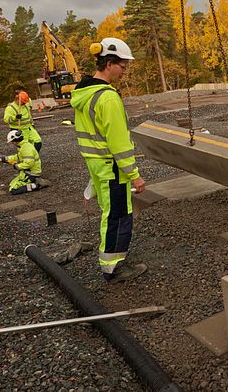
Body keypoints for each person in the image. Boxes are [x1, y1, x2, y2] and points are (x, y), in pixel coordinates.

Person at [70, 38, 147, 283]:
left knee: (109, 212)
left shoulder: (84, 93)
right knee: (118, 215)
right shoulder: (108, 98)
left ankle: (111, 260)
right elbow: (119, 143)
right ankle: (112, 268)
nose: (125, 71)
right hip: (111, 167)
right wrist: (134, 174)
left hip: (97, 164)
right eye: (123, 66)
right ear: (110, 63)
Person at [0, 130, 49, 195]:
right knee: (11, 185)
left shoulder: (26, 148)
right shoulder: (23, 146)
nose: (12, 143)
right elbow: (17, 157)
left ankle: (37, 185)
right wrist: (3, 159)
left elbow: (29, 164)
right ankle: (35, 182)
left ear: (16, 140)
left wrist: (16, 166)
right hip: (27, 172)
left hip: (31, 174)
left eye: (12, 142)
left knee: (13, 190)